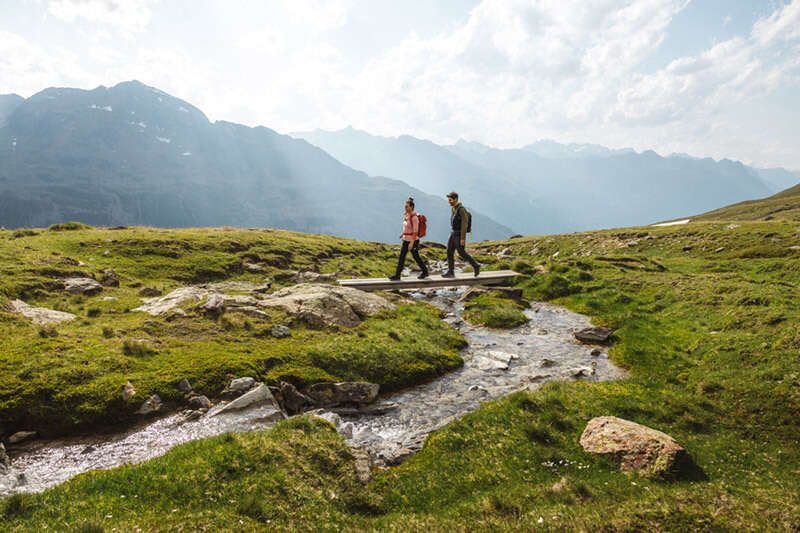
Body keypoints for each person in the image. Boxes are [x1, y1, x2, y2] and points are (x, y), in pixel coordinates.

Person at [389, 197, 429, 281]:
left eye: (407, 206)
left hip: (413, 241)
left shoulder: (414, 218)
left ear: (411, 207)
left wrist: (411, 243)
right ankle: (397, 275)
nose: (405, 208)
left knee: (416, 257)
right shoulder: (407, 216)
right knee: (402, 257)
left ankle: (425, 271)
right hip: (405, 239)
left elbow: (415, 231)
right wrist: (403, 234)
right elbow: (407, 227)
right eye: (405, 206)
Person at [443, 191, 480, 278]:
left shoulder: (461, 209)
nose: (449, 202)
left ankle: (476, 265)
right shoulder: (453, 208)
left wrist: (462, 238)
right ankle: (451, 271)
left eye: (450, 200)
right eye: (448, 200)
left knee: (461, 252)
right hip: (453, 233)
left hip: (459, 234)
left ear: (455, 199)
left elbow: (464, 224)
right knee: (449, 251)